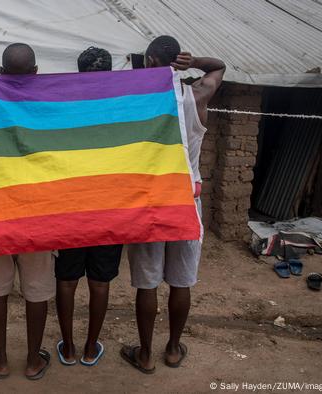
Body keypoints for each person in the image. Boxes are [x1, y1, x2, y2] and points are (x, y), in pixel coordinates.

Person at [121, 35, 225, 374]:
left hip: (150, 203)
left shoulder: (139, 105)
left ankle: (146, 354)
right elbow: (219, 67)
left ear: (150, 63)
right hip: (186, 201)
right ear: (178, 63)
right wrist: (194, 63)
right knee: (181, 282)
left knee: (148, 283)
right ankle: (173, 348)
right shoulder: (196, 97)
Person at [0, 43, 54, 381]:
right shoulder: (49, 102)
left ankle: (2, 359)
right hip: (39, 212)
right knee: (37, 288)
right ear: (35, 73)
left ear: (1, 72)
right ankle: (34, 360)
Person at [54, 47, 123, 368]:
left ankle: (67, 347)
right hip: (110, 209)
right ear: (109, 73)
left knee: (66, 281)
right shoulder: (121, 108)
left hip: (70, 209)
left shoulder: (64, 106)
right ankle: (90, 346)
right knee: (100, 282)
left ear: (78, 72)